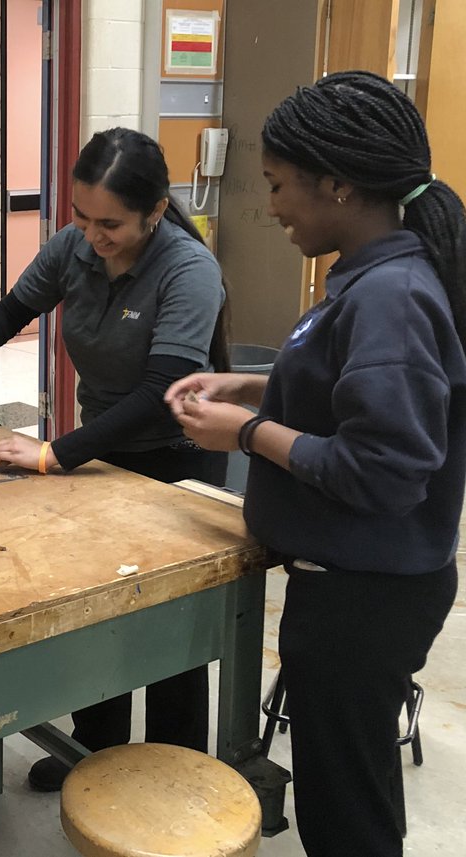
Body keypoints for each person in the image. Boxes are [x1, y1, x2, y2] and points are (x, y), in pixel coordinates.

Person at [166, 71, 464, 857]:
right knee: (348, 787)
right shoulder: (369, 279)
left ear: (337, 184)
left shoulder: (391, 294)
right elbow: (352, 389)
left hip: (366, 600)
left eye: (278, 185)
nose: (271, 207)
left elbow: (385, 470)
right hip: (348, 589)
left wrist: (247, 430)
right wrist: (249, 382)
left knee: (347, 816)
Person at [0, 127, 230, 791]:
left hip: (177, 462)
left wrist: (53, 452)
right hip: (104, 452)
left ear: (157, 209)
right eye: (82, 218)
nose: (92, 235)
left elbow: (157, 396)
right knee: (99, 606)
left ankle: (176, 770)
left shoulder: (189, 271)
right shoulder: (74, 249)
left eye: (110, 223)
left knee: (168, 624)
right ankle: (97, 750)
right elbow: (12, 309)